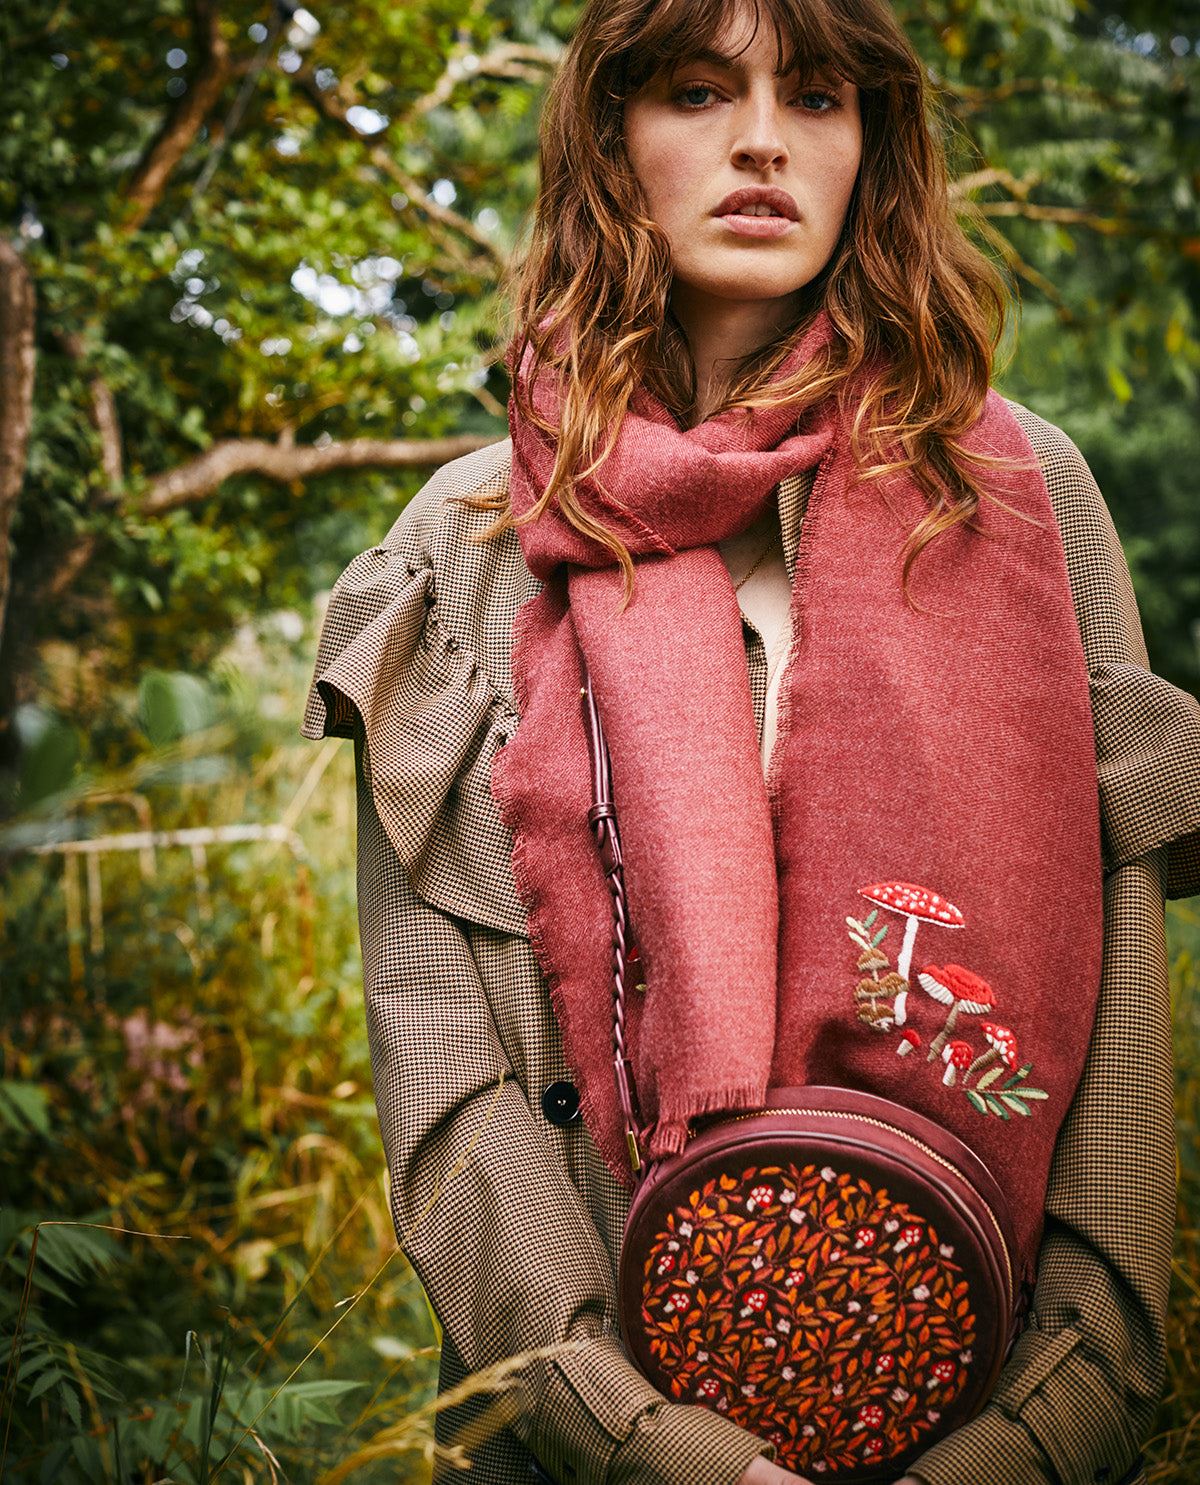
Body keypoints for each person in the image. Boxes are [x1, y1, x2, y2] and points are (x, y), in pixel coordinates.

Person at [302, 0, 1200, 1481]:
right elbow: (446, 1081)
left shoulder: (1025, 497)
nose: (765, 141)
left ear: (874, 147)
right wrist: (656, 1446)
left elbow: (1116, 1068)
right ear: (612, 139)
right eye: (701, 90)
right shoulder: (462, 543)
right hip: (587, 1436)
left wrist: (1029, 1447)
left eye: (824, 97)